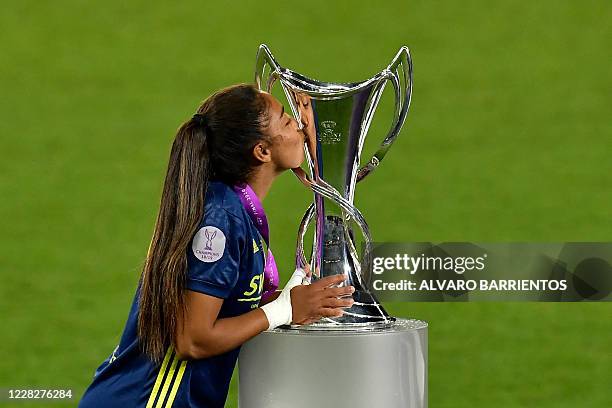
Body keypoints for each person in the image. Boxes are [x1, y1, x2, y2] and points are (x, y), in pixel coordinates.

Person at [78, 83, 355, 408]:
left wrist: (283, 306)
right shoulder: (219, 220)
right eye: (286, 120)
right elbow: (192, 340)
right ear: (262, 151)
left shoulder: (232, 210)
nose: (298, 124)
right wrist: (283, 310)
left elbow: (226, 314)